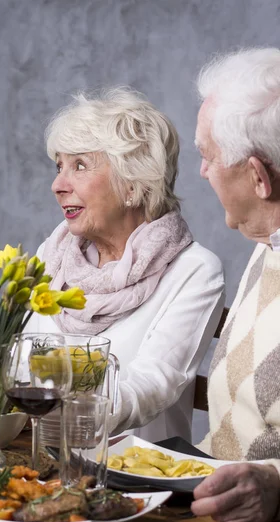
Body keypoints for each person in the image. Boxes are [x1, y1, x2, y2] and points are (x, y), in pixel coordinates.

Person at [26, 87, 225, 442]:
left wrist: (59, 416)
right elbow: (21, 363)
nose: (58, 184)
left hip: (133, 479)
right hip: (36, 458)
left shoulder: (194, 271)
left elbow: (153, 385)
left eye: (80, 166)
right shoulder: (50, 255)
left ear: (133, 183)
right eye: (59, 166)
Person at [190, 48, 280, 522]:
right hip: (212, 518)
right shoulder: (267, 238)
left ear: (258, 177)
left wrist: (275, 485)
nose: (202, 172)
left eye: (208, 156)